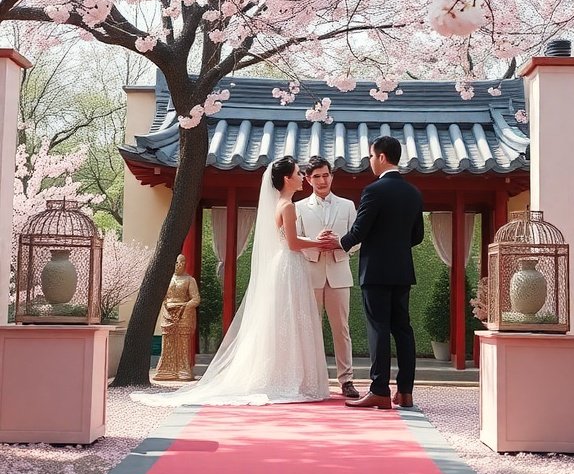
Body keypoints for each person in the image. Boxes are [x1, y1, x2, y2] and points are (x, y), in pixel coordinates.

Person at [133, 156, 332, 407]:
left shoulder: (279, 204)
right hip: (290, 264)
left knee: (282, 321)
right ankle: (291, 378)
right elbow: (293, 243)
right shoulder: (288, 206)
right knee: (290, 319)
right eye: (298, 173)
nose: (303, 177)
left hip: (283, 265)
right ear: (286, 179)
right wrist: (320, 242)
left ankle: (281, 375)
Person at [323, 135, 424, 410]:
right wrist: (396, 245)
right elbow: (417, 236)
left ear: (381, 157)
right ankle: (405, 392)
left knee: (378, 328)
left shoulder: (373, 191)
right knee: (403, 329)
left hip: (376, 271)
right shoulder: (414, 193)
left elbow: (359, 231)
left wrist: (339, 243)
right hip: (403, 271)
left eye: (370, 156)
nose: (369, 162)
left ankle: (379, 390)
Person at [295, 156, 360, 398]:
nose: (322, 180)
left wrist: (338, 244)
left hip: (339, 273)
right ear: (308, 179)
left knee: (341, 329)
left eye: (326, 175)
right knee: (310, 329)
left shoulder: (348, 205)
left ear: (332, 176)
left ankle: (346, 380)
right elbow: (295, 241)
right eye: (316, 176)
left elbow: (357, 239)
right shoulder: (298, 207)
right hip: (310, 273)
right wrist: (316, 245)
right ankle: (311, 380)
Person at [153, 254, 200, 382]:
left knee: (183, 343)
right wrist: (167, 305)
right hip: (168, 313)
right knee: (168, 342)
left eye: (181, 262)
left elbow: (196, 299)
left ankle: (183, 370)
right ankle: (166, 370)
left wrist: (184, 308)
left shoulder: (190, 280)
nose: (178, 265)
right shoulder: (166, 279)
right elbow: (161, 297)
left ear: (184, 263)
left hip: (183, 314)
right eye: (176, 263)